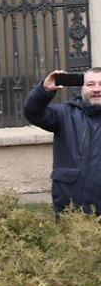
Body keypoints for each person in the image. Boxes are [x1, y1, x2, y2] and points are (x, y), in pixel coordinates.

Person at [23, 68, 101, 214]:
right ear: (82, 88)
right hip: (72, 211)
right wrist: (44, 90)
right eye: (90, 84)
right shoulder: (64, 114)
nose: (96, 89)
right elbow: (33, 113)